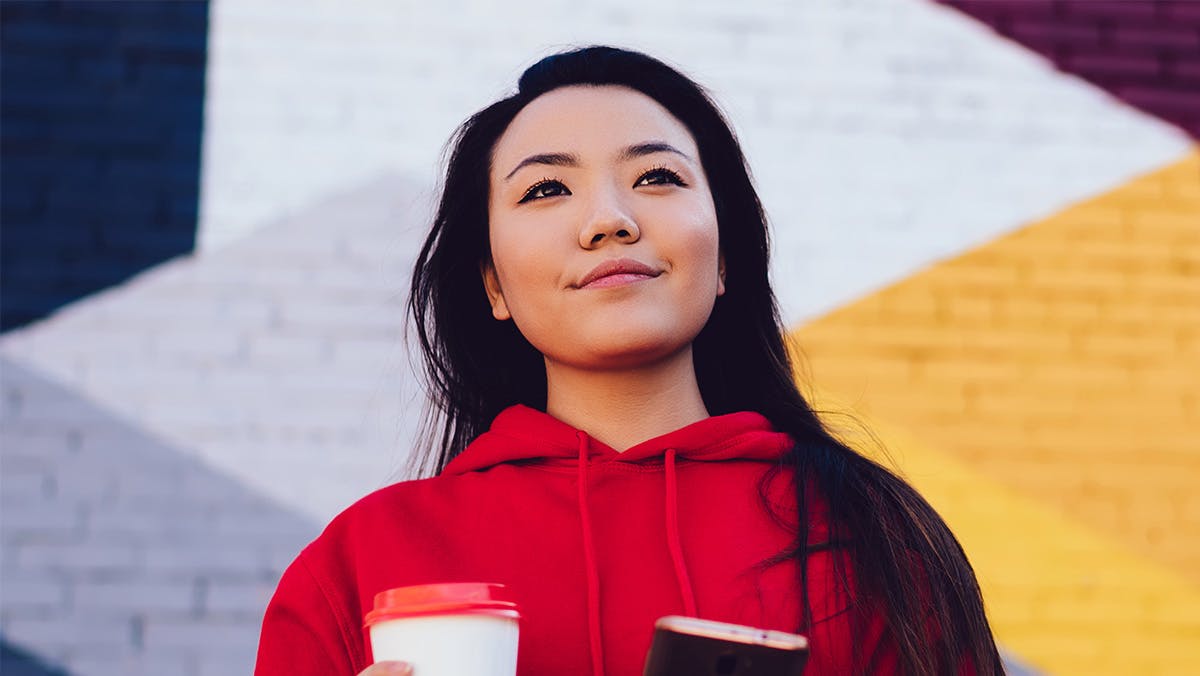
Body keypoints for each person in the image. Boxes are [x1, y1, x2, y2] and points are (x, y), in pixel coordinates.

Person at [254, 45, 1003, 675]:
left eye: (657, 177)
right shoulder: (361, 561)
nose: (609, 219)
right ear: (493, 284)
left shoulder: (870, 534)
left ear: (725, 257)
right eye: (546, 189)